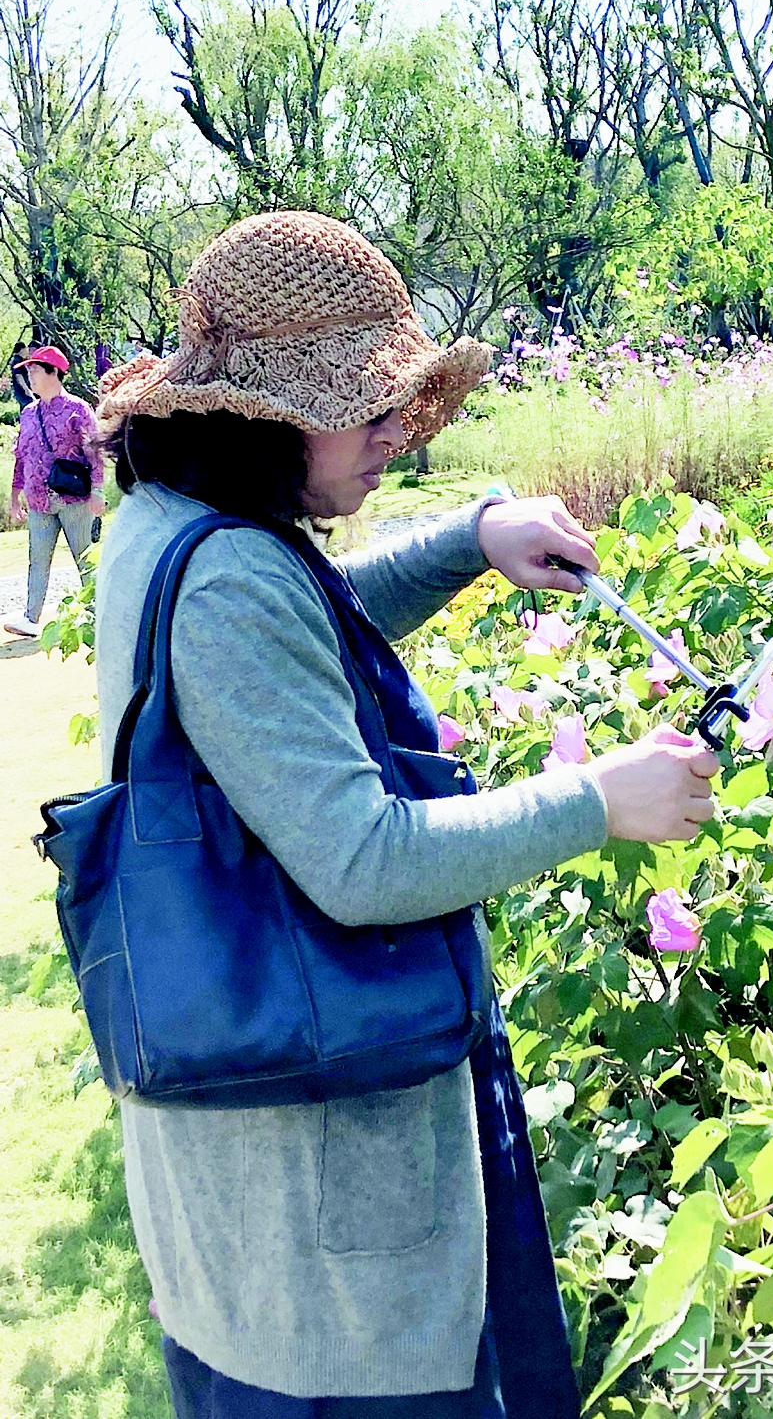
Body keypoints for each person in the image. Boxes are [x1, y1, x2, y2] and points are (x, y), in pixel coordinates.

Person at [92, 210, 719, 1418]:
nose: (395, 433)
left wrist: (469, 542)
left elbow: (297, 647)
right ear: (262, 420)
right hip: (319, 1209)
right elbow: (364, 863)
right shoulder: (228, 574)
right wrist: (598, 799)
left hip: (264, 1136)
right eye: (366, 407)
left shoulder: (177, 530)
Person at [4, 345, 105, 639]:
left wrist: (98, 490)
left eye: (35, 371)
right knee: (38, 558)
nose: (30, 377)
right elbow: (21, 456)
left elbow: (94, 453)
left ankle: (100, 615)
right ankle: (30, 618)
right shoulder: (28, 413)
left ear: (54, 373)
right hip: (38, 502)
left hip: (74, 499)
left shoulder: (78, 409)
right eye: (29, 372)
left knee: (85, 559)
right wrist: (14, 497)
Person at [8, 340, 31, 408]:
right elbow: (19, 376)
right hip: (22, 392)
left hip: (20, 391)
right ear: (22, 349)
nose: (27, 351)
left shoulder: (18, 360)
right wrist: (26, 389)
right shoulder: (17, 361)